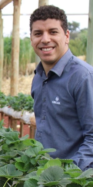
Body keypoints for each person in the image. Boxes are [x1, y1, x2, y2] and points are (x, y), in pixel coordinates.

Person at [30, 5, 93, 170]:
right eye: (38, 33)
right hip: (45, 177)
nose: (45, 39)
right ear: (31, 38)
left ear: (66, 36)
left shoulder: (82, 77)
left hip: (76, 181)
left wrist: (70, 174)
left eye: (53, 32)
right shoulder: (38, 77)